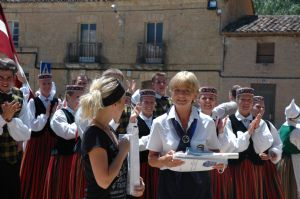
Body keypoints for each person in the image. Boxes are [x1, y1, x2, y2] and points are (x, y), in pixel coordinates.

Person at [147, 71, 221, 199]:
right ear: (171, 93)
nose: (181, 95)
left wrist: (218, 162)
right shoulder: (159, 123)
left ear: (195, 95)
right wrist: (163, 161)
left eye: (187, 91)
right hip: (169, 184)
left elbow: (216, 153)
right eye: (177, 90)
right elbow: (151, 160)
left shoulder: (207, 122)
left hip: (200, 184)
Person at [80, 76, 144, 198]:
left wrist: (134, 184)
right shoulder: (94, 135)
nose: (124, 108)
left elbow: (117, 171)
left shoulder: (108, 129)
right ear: (114, 104)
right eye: (124, 102)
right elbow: (104, 182)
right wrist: (122, 152)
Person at [218, 87, 274, 198]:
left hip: (255, 169)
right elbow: (233, 146)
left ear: (252, 102)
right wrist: (249, 132)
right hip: (235, 169)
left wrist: (257, 129)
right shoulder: (228, 121)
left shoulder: (261, 123)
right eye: (243, 100)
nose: (246, 103)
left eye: (249, 100)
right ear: (237, 101)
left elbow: (261, 147)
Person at [20, 67, 58, 199]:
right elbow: (33, 125)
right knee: (35, 172)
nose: (46, 86)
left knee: (50, 173)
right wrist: (46, 115)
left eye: (48, 83)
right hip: (37, 143)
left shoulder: (56, 102)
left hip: (52, 142)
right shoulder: (33, 102)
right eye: (44, 84)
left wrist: (53, 115)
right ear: (39, 84)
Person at [43, 85, 84, 199]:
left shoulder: (83, 116)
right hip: (63, 159)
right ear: (68, 97)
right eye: (77, 97)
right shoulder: (59, 114)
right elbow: (66, 133)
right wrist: (83, 121)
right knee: (60, 192)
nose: (80, 101)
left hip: (78, 161)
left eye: (82, 98)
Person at [0, 58, 31, 199]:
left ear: (14, 78)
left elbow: (25, 133)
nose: (5, 81)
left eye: (8, 77)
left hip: (12, 160)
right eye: (0, 77)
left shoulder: (19, 96)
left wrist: (10, 120)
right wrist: (3, 119)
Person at [198, 86, 230, 199]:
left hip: (213, 168)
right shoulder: (192, 119)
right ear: (198, 101)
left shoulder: (220, 121)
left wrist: (221, 132)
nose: (208, 101)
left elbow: (225, 147)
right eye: (204, 98)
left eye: (211, 99)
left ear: (215, 102)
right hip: (196, 166)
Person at [251, 95, 284, 199]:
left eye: (263, 107)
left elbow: (277, 143)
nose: (261, 110)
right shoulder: (244, 123)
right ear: (251, 106)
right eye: (258, 106)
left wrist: (272, 154)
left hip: (266, 168)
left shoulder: (268, 125)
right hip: (248, 167)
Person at [136, 89, 158, 199]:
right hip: (141, 165)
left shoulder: (159, 121)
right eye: (146, 102)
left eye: (152, 102)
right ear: (139, 104)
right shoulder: (133, 120)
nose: (149, 105)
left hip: (157, 165)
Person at [278, 99, 300, 199]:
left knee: (284, 187)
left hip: (283, 161)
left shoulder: (283, 126)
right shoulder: (296, 131)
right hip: (294, 162)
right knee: (293, 187)